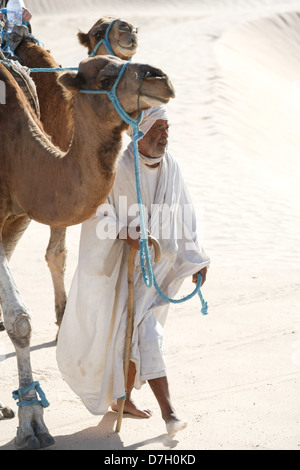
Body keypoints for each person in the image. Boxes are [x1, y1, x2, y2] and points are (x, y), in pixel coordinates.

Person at [56, 105, 211, 435]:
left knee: (136, 332)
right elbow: (96, 215)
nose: (165, 135)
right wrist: (124, 232)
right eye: (158, 128)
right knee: (142, 331)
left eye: (168, 128)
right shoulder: (117, 168)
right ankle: (169, 412)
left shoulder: (171, 168)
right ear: (140, 132)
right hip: (122, 269)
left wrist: (197, 260)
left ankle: (122, 398)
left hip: (160, 269)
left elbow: (185, 215)